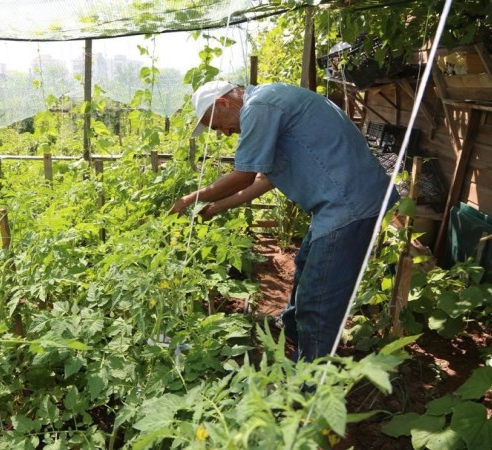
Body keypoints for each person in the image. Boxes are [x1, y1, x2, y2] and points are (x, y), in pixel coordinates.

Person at [170, 81, 400, 362]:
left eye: (218, 126)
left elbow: (243, 175)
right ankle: (290, 328)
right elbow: (264, 181)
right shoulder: (270, 100)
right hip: (339, 201)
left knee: (319, 297)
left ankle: (310, 379)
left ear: (223, 103)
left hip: (349, 203)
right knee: (305, 264)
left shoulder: (258, 107)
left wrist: (191, 199)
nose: (226, 133)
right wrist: (215, 208)